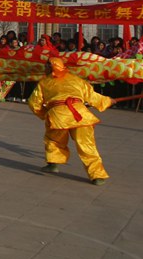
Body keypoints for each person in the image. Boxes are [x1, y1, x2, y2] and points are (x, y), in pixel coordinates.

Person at [28, 57, 113, 185]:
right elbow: (92, 96)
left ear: (52, 67)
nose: (44, 68)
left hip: (58, 116)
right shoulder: (76, 80)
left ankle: (53, 164)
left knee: (53, 140)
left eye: (47, 66)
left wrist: (45, 114)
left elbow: (33, 103)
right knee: (87, 146)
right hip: (81, 114)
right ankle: (97, 175)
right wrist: (108, 101)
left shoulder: (44, 83)